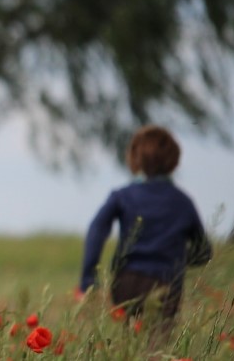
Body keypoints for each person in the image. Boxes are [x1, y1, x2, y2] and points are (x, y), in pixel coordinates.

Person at [77, 125, 212, 331]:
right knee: (157, 345)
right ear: (173, 161)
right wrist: (176, 259)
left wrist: (88, 279)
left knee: (130, 342)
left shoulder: (123, 196)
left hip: (126, 281)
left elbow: (96, 230)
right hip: (167, 282)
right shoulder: (183, 202)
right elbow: (204, 252)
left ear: (135, 158)